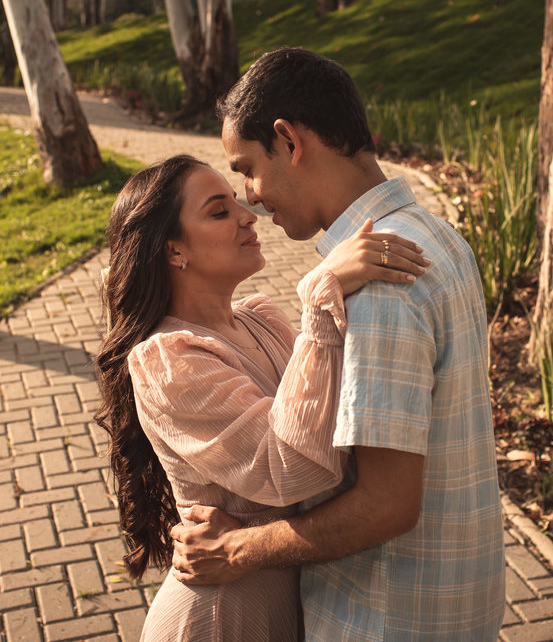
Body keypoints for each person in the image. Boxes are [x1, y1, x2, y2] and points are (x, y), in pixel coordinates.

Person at [169, 47, 505, 640]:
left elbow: (386, 505)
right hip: (451, 599)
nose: (249, 194)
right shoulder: (435, 235)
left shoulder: (379, 284)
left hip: (386, 615)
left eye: (247, 167)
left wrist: (239, 550)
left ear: (289, 141)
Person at [95, 153, 429, 641]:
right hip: (220, 617)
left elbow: (333, 426)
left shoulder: (261, 320)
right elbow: (292, 469)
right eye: (219, 211)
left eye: (236, 201)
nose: (249, 214)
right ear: (172, 251)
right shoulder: (168, 359)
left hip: (291, 601)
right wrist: (319, 295)